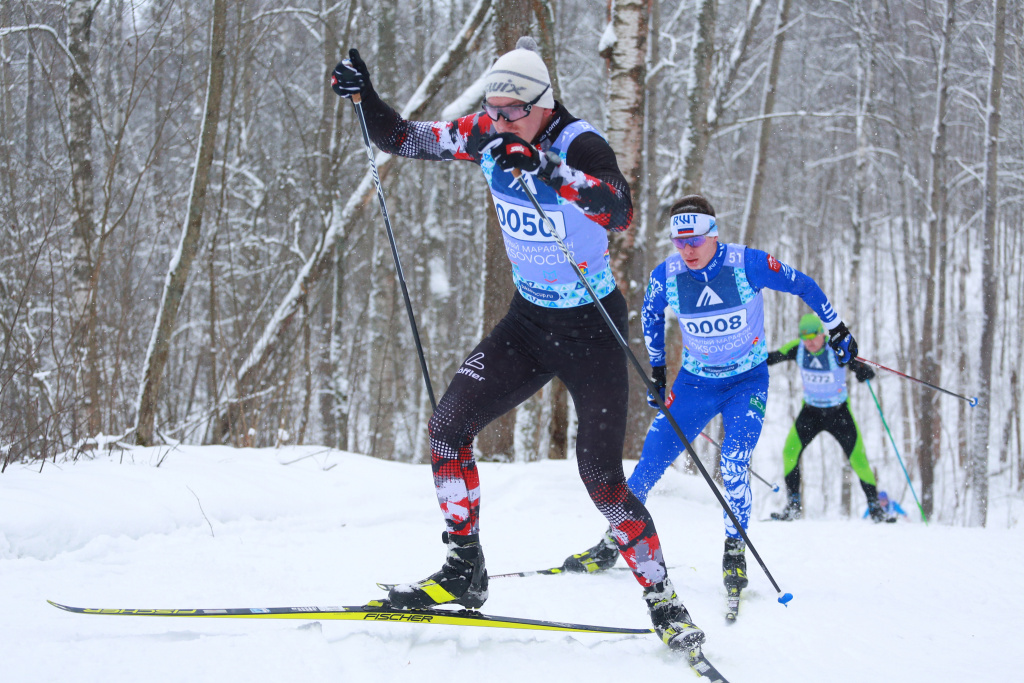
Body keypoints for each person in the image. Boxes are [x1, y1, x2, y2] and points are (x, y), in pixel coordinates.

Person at [331, 38, 703, 652]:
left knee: (602, 479)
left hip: (592, 330)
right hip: (529, 324)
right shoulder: (486, 133)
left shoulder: (577, 143)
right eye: (493, 111)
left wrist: (549, 171)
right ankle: (463, 570)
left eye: (511, 113)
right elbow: (403, 138)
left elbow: (620, 210)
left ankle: (663, 598)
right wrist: (364, 95)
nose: (498, 122)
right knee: (447, 428)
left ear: (541, 105)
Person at [562, 195, 860, 613]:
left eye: (695, 240)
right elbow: (650, 314)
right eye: (679, 241)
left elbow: (803, 284)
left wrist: (836, 329)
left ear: (713, 234)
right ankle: (615, 540)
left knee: (734, 463)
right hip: (695, 384)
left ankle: (734, 549)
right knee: (649, 462)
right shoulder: (668, 274)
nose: (687, 249)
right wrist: (659, 373)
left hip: (746, 384)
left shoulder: (746, 264)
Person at [765, 314, 886, 522]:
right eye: (805, 338)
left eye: (813, 337)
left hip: (838, 413)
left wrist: (863, 372)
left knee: (858, 459)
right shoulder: (798, 348)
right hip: (811, 412)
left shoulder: (835, 349)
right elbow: (772, 358)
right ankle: (793, 507)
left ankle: (876, 510)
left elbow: (857, 365)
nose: (810, 343)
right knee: (789, 453)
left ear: (822, 334)